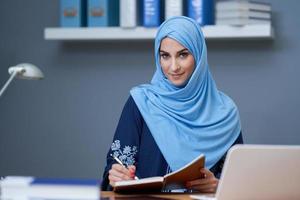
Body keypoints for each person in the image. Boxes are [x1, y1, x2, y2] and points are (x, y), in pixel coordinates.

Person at [101, 16, 243, 193]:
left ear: (199, 56)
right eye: (165, 56)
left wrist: (218, 186)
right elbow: (114, 170)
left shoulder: (225, 113)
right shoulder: (141, 102)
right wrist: (116, 177)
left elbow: (237, 181)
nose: (173, 67)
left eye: (183, 55)